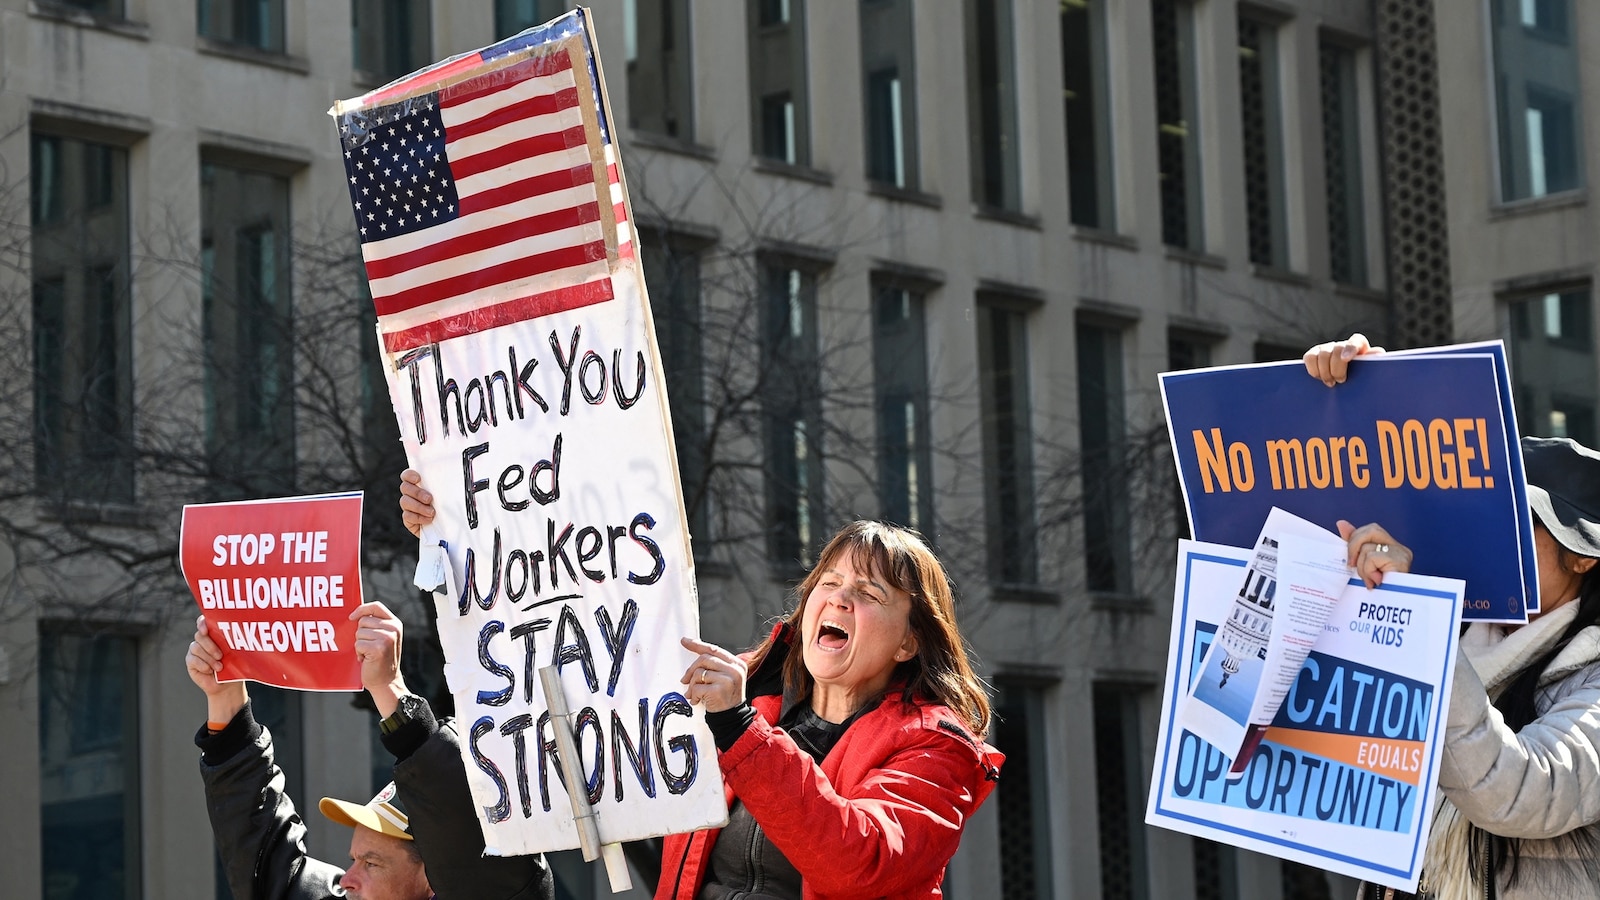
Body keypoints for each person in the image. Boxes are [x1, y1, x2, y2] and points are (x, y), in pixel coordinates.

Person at [399, 472, 1004, 899]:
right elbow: (581, 676)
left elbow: (859, 863)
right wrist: (456, 530)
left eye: (870, 594)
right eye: (831, 581)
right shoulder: (743, 698)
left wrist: (741, 729)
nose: (840, 597)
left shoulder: (936, 748)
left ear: (908, 643)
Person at [1306, 335, 1600, 900]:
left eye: (1521, 521)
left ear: (1583, 554)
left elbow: (1517, 792)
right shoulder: (1454, 641)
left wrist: (1418, 625)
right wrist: (1371, 395)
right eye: (1490, 513)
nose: (1494, 534)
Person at [186, 600, 555, 900]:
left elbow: (474, 849)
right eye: (354, 859)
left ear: (434, 879)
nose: (347, 879)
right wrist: (226, 704)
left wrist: (390, 691)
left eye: (371, 863)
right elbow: (267, 870)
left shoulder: (494, 885)